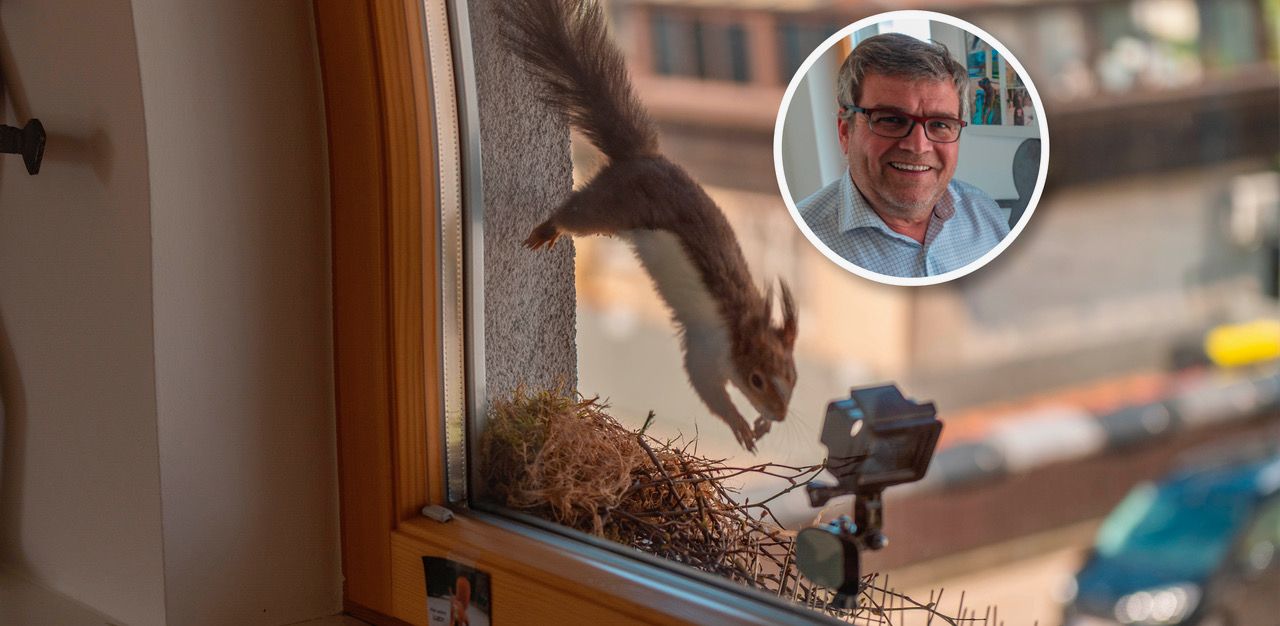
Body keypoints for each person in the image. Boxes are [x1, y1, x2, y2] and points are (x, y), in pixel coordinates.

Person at [797, 33, 1010, 278]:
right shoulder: (799, 241)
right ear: (845, 131)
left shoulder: (985, 214)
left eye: (940, 124)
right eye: (891, 120)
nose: (918, 146)